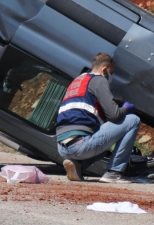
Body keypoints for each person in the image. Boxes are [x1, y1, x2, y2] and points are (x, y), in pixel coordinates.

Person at [55, 53, 140, 184]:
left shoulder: (78, 81)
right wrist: (126, 109)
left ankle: (78, 166)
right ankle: (114, 173)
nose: (110, 76)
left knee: (102, 150)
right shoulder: (99, 80)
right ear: (105, 69)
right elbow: (114, 115)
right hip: (80, 145)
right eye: (111, 72)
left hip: (62, 147)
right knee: (133, 120)